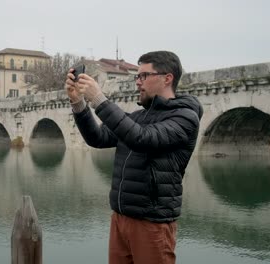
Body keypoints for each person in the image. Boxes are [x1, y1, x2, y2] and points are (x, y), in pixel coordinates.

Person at [64, 51, 203, 264]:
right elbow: (98, 138)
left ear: (167, 78)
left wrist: (99, 99)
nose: (138, 82)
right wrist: (79, 103)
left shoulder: (184, 117)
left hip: (152, 223)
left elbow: (143, 139)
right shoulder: (138, 117)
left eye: (143, 76)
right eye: (136, 76)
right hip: (121, 218)